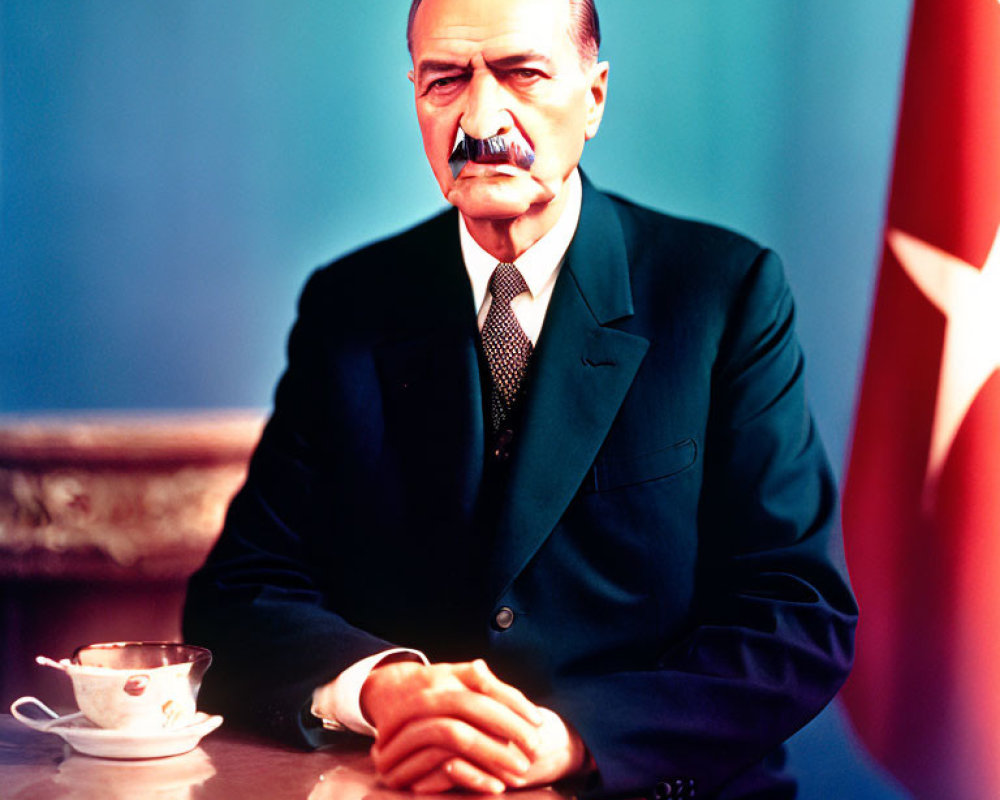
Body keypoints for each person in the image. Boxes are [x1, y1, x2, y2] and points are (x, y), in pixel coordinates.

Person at [183, 1, 858, 797]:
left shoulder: (723, 294)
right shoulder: (348, 307)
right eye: (445, 80)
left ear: (595, 96)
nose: (480, 116)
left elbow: (796, 616)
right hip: (403, 785)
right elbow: (238, 597)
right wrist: (382, 688)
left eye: (521, 74)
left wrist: (574, 735)